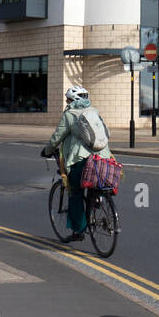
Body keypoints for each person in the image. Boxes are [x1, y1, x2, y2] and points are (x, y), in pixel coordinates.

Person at [42, 85, 112, 243]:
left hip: (81, 159)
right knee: (95, 183)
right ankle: (97, 200)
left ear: (73, 100)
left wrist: (47, 150)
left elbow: (57, 137)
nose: (66, 102)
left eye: (67, 99)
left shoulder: (70, 114)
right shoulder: (94, 112)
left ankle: (78, 231)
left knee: (75, 192)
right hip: (103, 158)